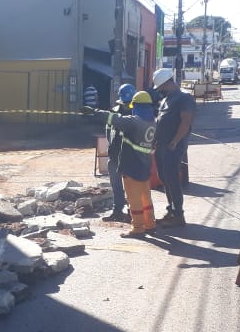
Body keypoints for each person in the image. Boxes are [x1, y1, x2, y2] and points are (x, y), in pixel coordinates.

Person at [83, 91, 157, 236]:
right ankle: (150, 224)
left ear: (136, 106)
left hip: (131, 166)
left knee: (133, 198)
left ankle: (138, 228)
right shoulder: (153, 122)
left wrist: (94, 112)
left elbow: (114, 118)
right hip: (145, 165)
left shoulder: (134, 121)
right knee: (145, 197)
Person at [150, 67, 196, 227]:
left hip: (173, 146)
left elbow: (186, 122)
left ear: (167, 83)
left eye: (161, 86)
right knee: (164, 179)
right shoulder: (165, 99)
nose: (160, 90)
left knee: (172, 179)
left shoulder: (184, 98)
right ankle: (171, 210)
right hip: (162, 145)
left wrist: (175, 141)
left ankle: (178, 215)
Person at [102, 83, 136, 223]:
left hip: (131, 156)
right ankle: (117, 210)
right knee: (116, 186)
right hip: (115, 154)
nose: (126, 105)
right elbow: (109, 131)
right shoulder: (114, 111)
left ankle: (133, 212)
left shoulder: (138, 112)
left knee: (132, 187)